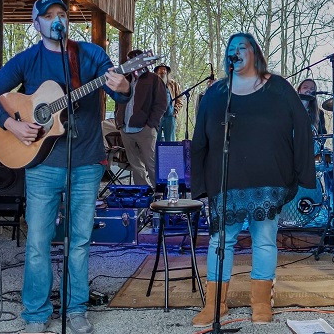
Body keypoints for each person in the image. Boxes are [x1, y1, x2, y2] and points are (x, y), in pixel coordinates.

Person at [0, 0, 131, 334]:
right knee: (38, 241)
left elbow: (119, 93)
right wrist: (12, 124)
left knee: (79, 240)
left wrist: (124, 85)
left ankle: (76, 310)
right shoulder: (27, 61)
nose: (56, 19)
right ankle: (35, 313)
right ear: (37, 24)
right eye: (48, 16)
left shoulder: (89, 55)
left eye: (61, 14)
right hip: (42, 164)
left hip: (87, 161)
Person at [190, 33, 315, 326]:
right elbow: (199, 141)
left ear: (255, 52)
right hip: (226, 179)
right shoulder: (217, 93)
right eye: (231, 49)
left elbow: (303, 129)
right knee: (221, 240)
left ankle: (260, 303)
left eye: (242, 47)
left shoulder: (279, 87)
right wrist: (201, 186)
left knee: (264, 239)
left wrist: (303, 175)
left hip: (268, 178)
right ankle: (215, 304)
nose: (236, 52)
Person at [115, 49, 168, 187]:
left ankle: (159, 193)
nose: (131, 62)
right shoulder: (125, 80)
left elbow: (162, 103)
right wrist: (119, 120)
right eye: (129, 60)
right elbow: (118, 100)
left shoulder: (154, 79)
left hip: (145, 129)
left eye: (134, 59)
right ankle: (142, 192)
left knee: (151, 163)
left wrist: (151, 124)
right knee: (135, 165)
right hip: (126, 128)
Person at [154, 64, 182, 141]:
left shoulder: (174, 84)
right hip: (156, 117)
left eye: (164, 70)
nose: (162, 72)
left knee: (170, 141)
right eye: (160, 71)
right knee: (156, 140)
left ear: (167, 73)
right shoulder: (153, 85)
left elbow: (180, 99)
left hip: (170, 116)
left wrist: (175, 110)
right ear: (157, 73)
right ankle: (156, 153)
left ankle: (170, 153)